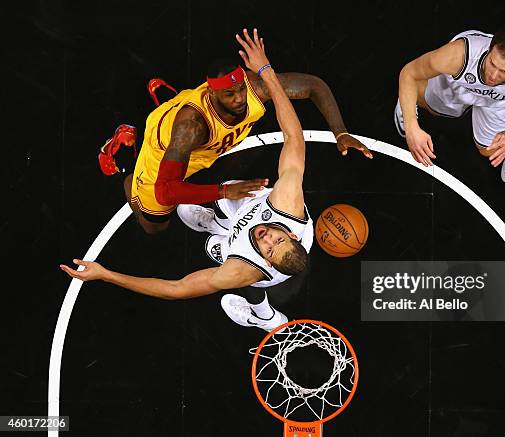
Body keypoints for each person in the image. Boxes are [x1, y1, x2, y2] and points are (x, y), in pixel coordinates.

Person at [62, 29, 314, 332]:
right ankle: (218, 222)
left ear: (267, 262)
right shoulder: (288, 201)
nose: (267, 238)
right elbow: (294, 137)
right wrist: (264, 69)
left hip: (245, 248)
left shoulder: (241, 270)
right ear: (294, 235)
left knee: (178, 234)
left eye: (269, 249)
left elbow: (177, 288)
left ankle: (262, 315)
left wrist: (107, 275)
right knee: (233, 191)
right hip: (252, 201)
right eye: (279, 238)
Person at [99, 36, 372, 235]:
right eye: (229, 94)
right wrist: (224, 191)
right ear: (211, 92)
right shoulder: (191, 127)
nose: (240, 99)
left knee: (199, 148)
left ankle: (168, 104)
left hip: (194, 143)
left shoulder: (253, 89)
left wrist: (341, 132)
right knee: (154, 226)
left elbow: (313, 86)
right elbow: (165, 190)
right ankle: (126, 160)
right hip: (163, 153)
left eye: (240, 89)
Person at [395, 28, 505, 183]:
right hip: (461, 82)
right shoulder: (457, 56)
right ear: (489, 49)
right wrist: (412, 128)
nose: (493, 75)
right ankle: (406, 105)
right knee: (426, 103)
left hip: (497, 100)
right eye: (492, 63)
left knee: (489, 150)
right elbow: (409, 73)